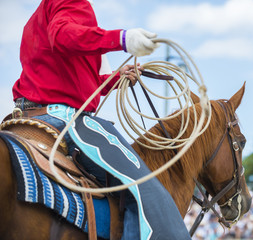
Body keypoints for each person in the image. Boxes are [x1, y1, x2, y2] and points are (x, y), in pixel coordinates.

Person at [11, 0, 191, 239]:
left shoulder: (39, 15)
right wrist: (122, 39)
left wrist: (115, 78)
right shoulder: (74, 3)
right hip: (62, 117)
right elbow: (63, 36)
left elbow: (70, 75)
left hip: (23, 116)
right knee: (144, 186)